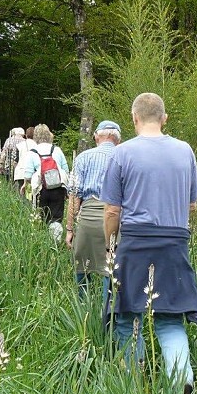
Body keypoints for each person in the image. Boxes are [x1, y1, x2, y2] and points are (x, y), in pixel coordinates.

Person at [100, 92, 197, 394]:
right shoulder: (185, 151)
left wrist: (110, 246)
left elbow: (111, 210)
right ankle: (182, 382)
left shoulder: (122, 154)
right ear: (164, 119)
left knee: (126, 316)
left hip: (134, 242)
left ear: (134, 119)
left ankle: (137, 385)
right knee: (170, 319)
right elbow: (192, 205)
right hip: (174, 243)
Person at [66, 120, 121, 303]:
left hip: (88, 217)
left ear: (97, 136)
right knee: (110, 267)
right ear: (117, 140)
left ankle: (82, 310)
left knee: (82, 266)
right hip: (117, 219)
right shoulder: (125, 156)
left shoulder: (83, 157)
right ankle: (107, 315)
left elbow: (74, 196)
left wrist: (69, 229)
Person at [21, 124, 69, 240]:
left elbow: (28, 175)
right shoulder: (56, 150)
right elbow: (66, 170)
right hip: (58, 188)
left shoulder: (32, 152)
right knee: (56, 217)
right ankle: (55, 243)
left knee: (40, 216)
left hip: (40, 189)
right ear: (49, 135)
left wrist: (24, 186)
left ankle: (41, 241)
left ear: (35, 137)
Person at [14, 126, 37, 192]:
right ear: (35, 136)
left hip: (20, 174)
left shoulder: (19, 146)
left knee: (20, 196)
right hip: (32, 175)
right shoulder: (37, 146)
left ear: (26, 135)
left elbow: (15, 161)